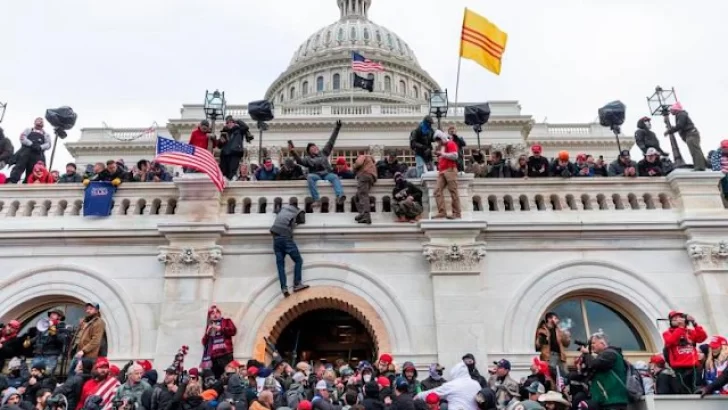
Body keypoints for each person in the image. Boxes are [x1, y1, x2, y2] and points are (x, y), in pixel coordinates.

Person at [289, 121, 346, 208]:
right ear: (309, 151)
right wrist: (293, 151)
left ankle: (340, 195)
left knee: (334, 177)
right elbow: (300, 161)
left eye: (315, 146)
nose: (315, 148)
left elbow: (331, 141)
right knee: (310, 177)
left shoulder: (324, 153)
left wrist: (337, 128)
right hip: (316, 175)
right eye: (312, 147)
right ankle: (316, 199)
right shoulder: (308, 159)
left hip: (326, 173)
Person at [580, 332, 628, 410]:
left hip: (613, 401)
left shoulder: (610, 354)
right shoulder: (604, 355)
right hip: (605, 401)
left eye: (593, 343)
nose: (591, 345)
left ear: (602, 342)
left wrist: (586, 354)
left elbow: (593, 364)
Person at [662, 310, 707, 394]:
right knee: (684, 390)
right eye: (674, 318)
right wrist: (680, 328)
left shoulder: (690, 332)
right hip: (679, 367)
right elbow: (670, 341)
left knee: (696, 389)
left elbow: (702, 337)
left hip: (693, 365)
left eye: (679, 317)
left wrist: (694, 323)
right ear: (671, 322)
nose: (677, 319)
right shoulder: (667, 333)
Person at [270, 204, 308, 296]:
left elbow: (275, 210)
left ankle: (284, 288)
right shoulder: (298, 211)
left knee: (280, 265)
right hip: (285, 238)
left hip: (275, 238)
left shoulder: (282, 208)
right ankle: (297, 284)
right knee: (298, 260)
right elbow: (302, 220)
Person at [7, 117, 52, 184]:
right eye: (38, 120)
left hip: (38, 153)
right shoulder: (28, 130)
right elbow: (22, 138)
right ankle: (12, 181)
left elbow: (48, 144)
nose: (40, 122)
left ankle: (28, 182)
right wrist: (31, 144)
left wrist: (40, 147)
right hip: (25, 151)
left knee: (34, 169)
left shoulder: (46, 134)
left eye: (41, 121)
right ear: (34, 122)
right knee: (20, 166)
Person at [665, 102, 706, 171]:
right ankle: (703, 165)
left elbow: (680, 125)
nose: (670, 111)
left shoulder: (681, 114)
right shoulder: (680, 115)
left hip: (691, 134)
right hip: (690, 134)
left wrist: (670, 131)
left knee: (695, 151)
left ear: (676, 109)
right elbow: (680, 125)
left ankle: (699, 167)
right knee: (696, 150)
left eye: (671, 109)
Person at [69, 303, 106, 376]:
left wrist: (83, 350)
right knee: (71, 376)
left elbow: (96, 340)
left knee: (78, 377)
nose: (88, 311)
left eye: (91, 309)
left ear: (96, 310)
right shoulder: (85, 321)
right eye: (87, 309)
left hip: (87, 356)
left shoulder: (99, 322)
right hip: (78, 354)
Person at [201, 305, 237, 379]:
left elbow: (233, 331)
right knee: (216, 378)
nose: (215, 315)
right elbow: (205, 343)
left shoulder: (227, 321)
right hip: (214, 357)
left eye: (217, 312)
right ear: (210, 316)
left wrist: (221, 329)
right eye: (212, 313)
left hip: (226, 354)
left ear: (220, 314)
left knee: (229, 376)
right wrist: (207, 334)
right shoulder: (209, 326)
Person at [432, 130, 460, 220]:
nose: (438, 143)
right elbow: (443, 156)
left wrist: (442, 154)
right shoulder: (443, 146)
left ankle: (456, 213)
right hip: (442, 171)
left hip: (450, 169)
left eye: (439, 140)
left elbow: (455, 156)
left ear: (442, 138)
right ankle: (442, 212)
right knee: (437, 191)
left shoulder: (451, 143)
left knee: (453, 191)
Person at [31, 307, 66, 376]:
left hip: (50, 355)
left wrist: (55, 333)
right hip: (39, 353)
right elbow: (38, 337)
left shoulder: (62, 327)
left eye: (54, 314)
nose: (51, 316)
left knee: (47, 375)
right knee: (34, 374)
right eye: (51, 314)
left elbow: (62, 340)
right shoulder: (44, 324)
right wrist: (31, 341)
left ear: (60, 317)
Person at [534, 312, 570, 379]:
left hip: (561, 356)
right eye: (555, 318)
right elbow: (538, 345)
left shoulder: (559, 330)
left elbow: (566, 344)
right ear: (549, 319)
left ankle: (565, 388)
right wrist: (543, 339)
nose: (557, 320)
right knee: (552, 376)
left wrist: (567, 336)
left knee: (565, 375)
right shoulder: (542, 330)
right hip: (549, 356)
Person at [219, 116, 251, 180]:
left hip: (235, 152)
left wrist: (237, 120)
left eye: (231, 122)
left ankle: (231, 183)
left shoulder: (239, 130)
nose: (229, 124)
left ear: (234, 123)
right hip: (225, 154)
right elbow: (219, 145)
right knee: (224, 171)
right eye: (228, 123)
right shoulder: (224, 132)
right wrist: (220, 141)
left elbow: (246, 127)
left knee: (232, 170)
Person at [353, 154, 377, 225]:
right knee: (357, 196)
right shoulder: (371, 162)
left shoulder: (363, 156)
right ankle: (362, 214)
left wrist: (354, 166)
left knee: (363, 195)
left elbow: (358, 163)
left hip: (364, 175)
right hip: (371, 177)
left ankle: (366, 216)